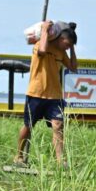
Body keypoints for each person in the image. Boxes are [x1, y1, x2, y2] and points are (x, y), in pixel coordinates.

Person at [14, 21, 78, 167]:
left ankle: (60, 161)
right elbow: (42, 50)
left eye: (69, 46)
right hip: (36, 93)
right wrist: (44, 29)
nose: (67, 47)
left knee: (58, 125)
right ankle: (18, 156)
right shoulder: (39, 45)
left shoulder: (62, 52)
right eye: (67, 44)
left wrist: (71, 48)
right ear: (60, 38)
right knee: (28, 125)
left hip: (55, 96)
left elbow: (73, 67)